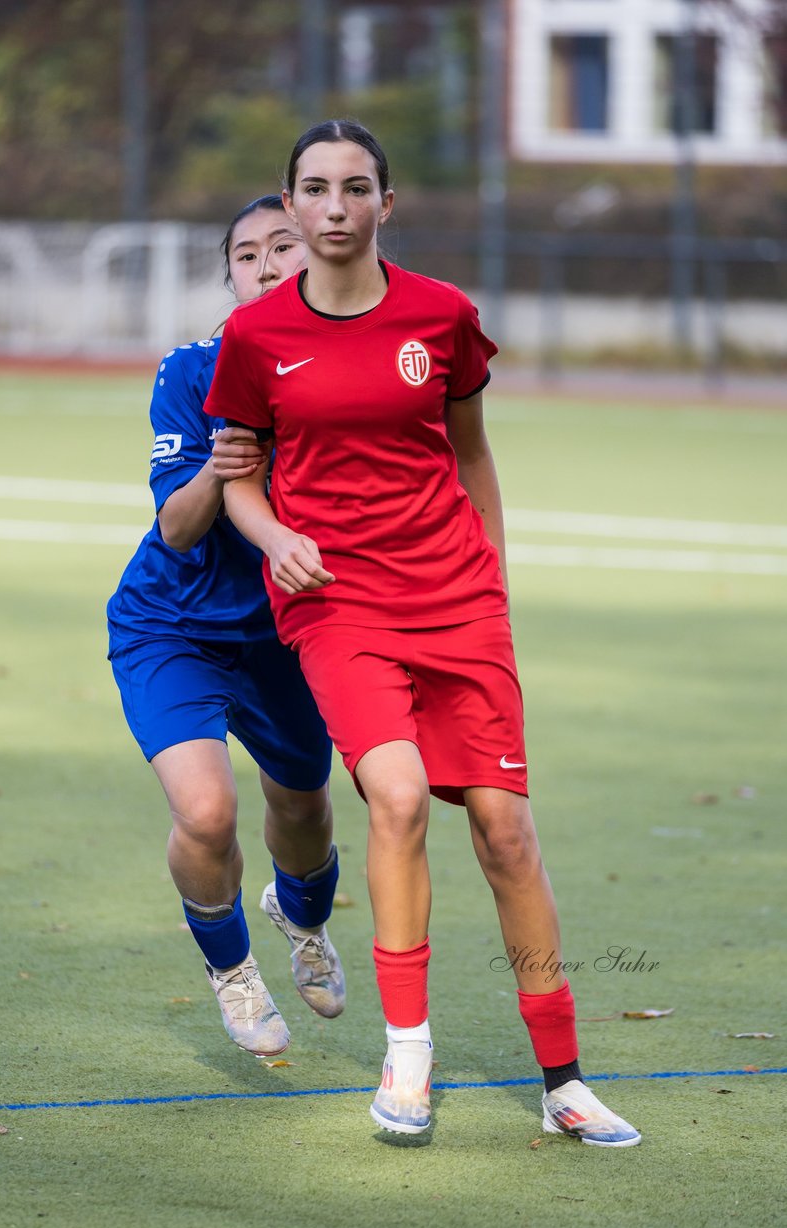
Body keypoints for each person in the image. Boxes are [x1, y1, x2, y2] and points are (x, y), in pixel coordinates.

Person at [205, 121, 641, 1147]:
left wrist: (492, 587)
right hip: (338, 602)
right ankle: (409, 1057)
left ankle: (564, 1081)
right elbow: (238, 479)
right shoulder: (256, 336)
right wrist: (277, 538)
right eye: (316, 188)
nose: (337, 206)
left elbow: (472, 453)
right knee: (396, 797)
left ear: (384, 204)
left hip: (457, 597)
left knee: (504, 830)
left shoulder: (442, 316)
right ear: (292, 204)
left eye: (356, 188)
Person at [106, 195, 345, 1059]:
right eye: (247, 254)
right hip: (172, 627)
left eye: (285, 246)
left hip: (289, 631)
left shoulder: (350, 377)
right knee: (207, 813)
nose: (267, 264)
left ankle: (303, 920)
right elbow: (176, 529)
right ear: (232, 277)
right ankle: (233, 969)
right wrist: (219, 465)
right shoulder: (192, 371)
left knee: (305, 807)